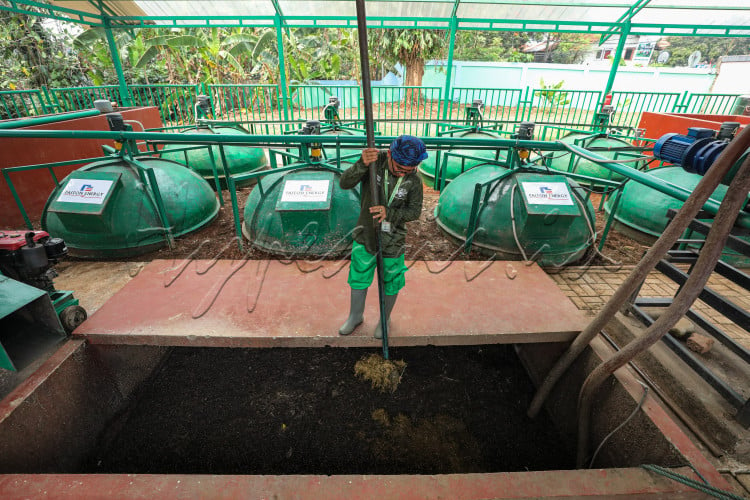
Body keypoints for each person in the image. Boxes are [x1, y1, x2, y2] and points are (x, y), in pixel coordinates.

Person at [338, 135, 427, 338]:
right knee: (359, 276)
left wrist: (390, 213)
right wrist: (361, 164)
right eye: (399, 168)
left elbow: (414, 212)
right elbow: (344, 183)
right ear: (389, 154)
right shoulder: (373, 163)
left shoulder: (414, 180)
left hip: (393, 239)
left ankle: (384, 319)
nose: (404, 172)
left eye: (409, 169)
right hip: (365, 233)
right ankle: (355, 316)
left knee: (392, 279)